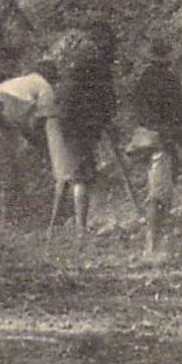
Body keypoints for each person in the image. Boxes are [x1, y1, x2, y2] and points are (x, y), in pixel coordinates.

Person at [0, 58, 65, 219]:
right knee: (7, 169)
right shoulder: (44, 87)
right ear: (50, 77)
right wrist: (46, 148)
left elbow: (21, 121)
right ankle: (7, 221)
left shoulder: (23, 82)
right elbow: (46, 122)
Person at [51, 23, 118, 234]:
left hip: (70, 122)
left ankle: (67, 224)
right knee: (81, 174)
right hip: (79, 124)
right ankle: (80, 228)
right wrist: (106, 118)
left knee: (74, 172)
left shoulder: (78, 64)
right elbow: (107, 100)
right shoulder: (99, 68)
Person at [127, 38, 182, 262]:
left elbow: (136, 110)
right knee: (159, 193)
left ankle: (154, 241)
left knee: (155, 190)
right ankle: (151, 245)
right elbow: (180, 113)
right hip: (161, 140)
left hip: (142, 139)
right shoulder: (169, 80)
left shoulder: (143, 80)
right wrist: (175, 131)